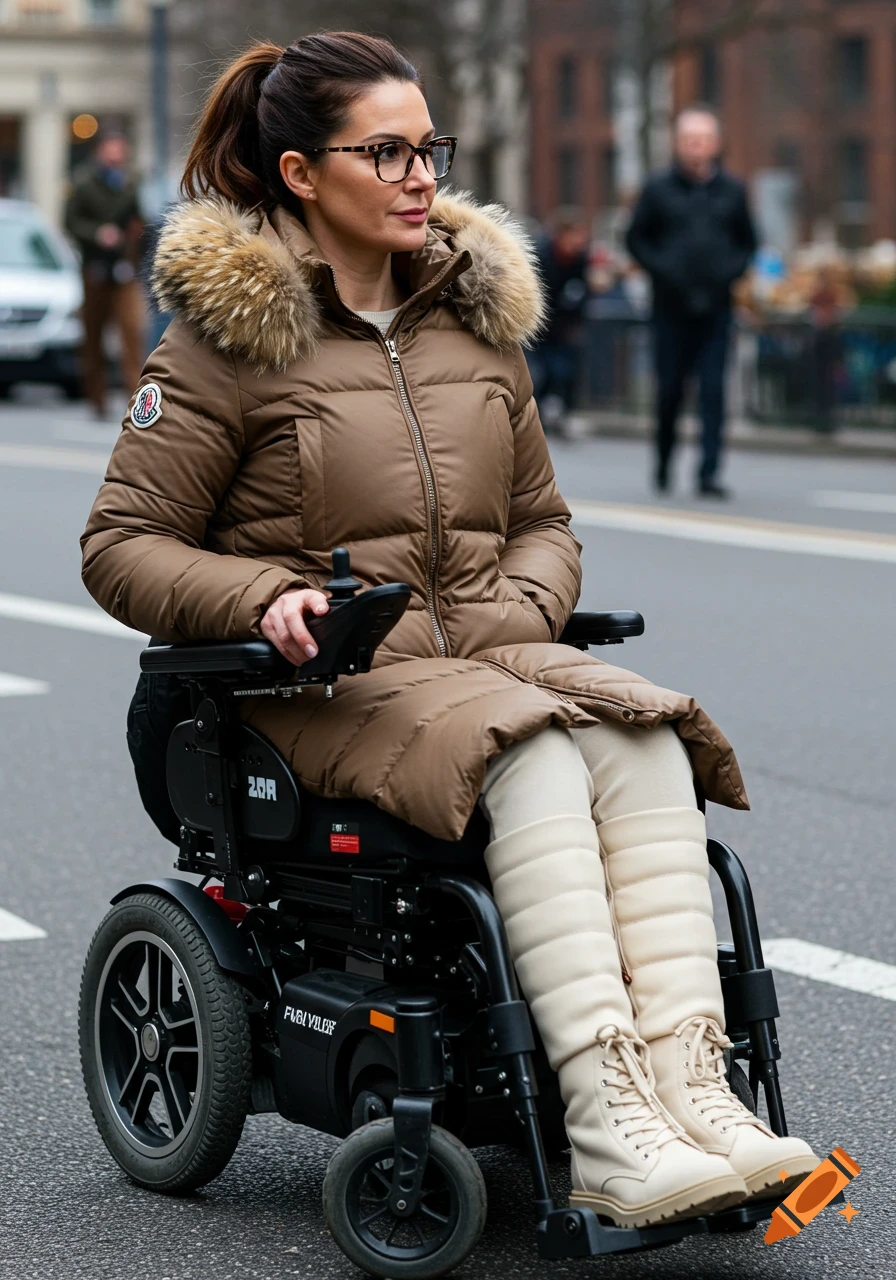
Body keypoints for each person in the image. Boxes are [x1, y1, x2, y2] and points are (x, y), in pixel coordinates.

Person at [80, 34, 817, 1228]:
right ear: (302, 174)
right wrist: (259, 599)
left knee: (640, 742)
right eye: (387, 150)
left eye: (430, 148)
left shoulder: (475, 326)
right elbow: (120, 546)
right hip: (322, 688)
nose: (420, 173)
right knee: (526, 753)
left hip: (482, 662)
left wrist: (514, 609)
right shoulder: (222, 345)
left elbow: (542, 522)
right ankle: (609, 1126)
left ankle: (697, 1093)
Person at [626, 106, 757, 498]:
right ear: (677, 144)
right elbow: (637, 239)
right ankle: (664, 461)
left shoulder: (732, 191)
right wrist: (664, 270)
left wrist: (726, 273)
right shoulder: (657, 189)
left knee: (714, 390)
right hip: (670, 309)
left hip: (716, 309)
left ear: (715, 144)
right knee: (669, 390)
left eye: (702, 139)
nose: (695, 147)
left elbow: (747, 243)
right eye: (688, 140)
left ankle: (709, 472)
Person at [64, 131, 146, 418]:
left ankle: (134, 401)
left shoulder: (130, 182)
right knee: (94, 336)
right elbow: (70, 221)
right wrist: (98, 233)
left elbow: (140, 217)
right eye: (111, 151)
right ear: (100, 152)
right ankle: (96, 398)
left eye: (119, 151)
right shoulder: (85, 183)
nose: (115, 157)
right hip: (95, 269)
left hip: (125, 269)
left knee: (132, 334)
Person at [530, 208, 591, 435]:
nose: (579, 242)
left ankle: (562, 412)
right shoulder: (543, 257)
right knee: (543, 372)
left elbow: (582, 291)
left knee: (567, 371)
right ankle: (538, 415)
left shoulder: (580, 259)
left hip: (565, 327)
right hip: (540, 328)